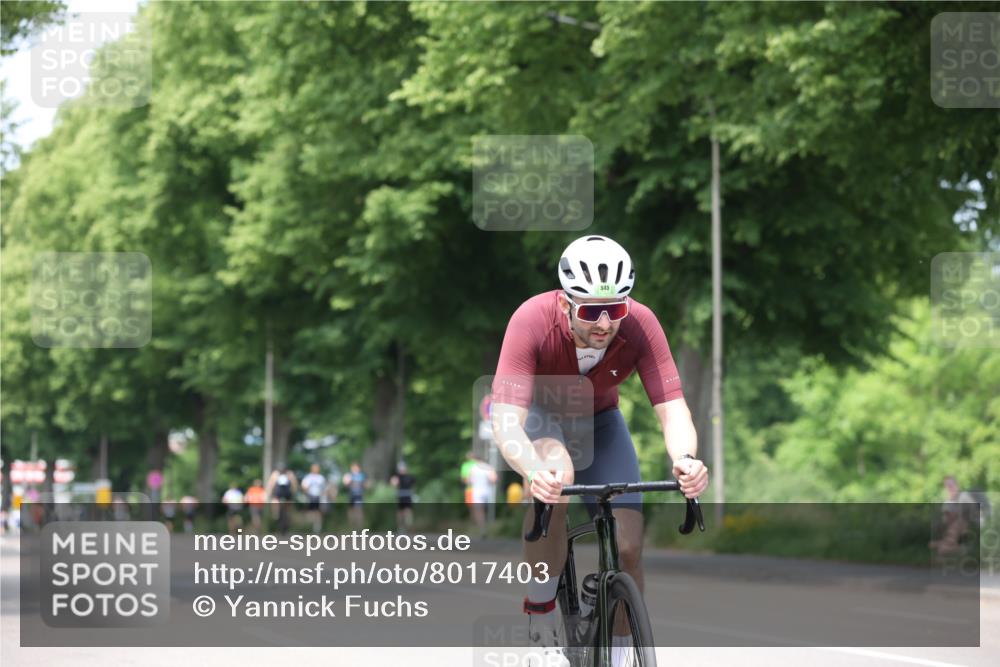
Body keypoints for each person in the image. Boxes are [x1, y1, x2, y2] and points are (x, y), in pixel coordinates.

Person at [491, 235, 709, 666]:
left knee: (628, 548)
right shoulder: (531, 319)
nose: (605, 323)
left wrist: (685, 459)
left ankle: (622, 653)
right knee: (556, 475)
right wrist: (532, 469)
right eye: (591, 311)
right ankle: (541, 615)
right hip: (541, 419)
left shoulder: (641, 324)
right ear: (565, 303)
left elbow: (672, 408)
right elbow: (504, 420)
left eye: (617, 309)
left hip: (602, 422)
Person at [930, 476, 978, 556]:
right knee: (939, 547)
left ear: (957, 485)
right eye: (947, 485)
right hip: (953, 530)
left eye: (951, 485)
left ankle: (958, 547)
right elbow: (946, 519)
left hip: (964, 527)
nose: (950, 487)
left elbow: (972, 512)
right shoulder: (947, 502)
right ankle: (956, 546)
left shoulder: (964, 496)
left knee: (942, 549)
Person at [466, 455, 497, 538]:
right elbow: (493, 479)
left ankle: (482, 529)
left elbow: (469, 480)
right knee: (485, 510)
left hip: (477, 492)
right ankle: (488, 527)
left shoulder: (473, 468)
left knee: (479, 511)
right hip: (487, 491)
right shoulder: (489, 467)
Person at [266, 465, 298, 535]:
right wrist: (294, 492)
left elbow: (271, 484)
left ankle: (276, 514)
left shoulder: (275, 474)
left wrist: (269, 493)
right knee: (288, 505)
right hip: (287, 493)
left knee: (275, 501)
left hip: (279, 492)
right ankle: (288, 514)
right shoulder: (289, 473)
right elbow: (294, 483)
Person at [300, 464, 328, 533]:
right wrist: (306, 491)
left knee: (318, 512)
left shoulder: (321, 478)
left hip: (318, 497)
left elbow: (324, 488)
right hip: (310, 496)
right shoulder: (308, 477)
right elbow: (303, 486)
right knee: (310, 512)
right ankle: (309, 526)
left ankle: (317, 528)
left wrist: (324, 498)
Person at [390, 461, 416, 533]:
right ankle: (401, 527)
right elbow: (393, 484)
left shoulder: (410, 477)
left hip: (408, 496)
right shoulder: (397, 477)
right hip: (400, 496)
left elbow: (413, 486)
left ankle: (408, 527)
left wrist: (413, 494)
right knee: (400, 513)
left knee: (408, 512)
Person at [342, 462, 368, 529]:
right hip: (351, 495)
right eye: (353, 467)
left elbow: (366, 485)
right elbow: (345, 485)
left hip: (359, 495)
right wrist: (348, 481)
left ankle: (359, 527)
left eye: (356, 467)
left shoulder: (362, 475)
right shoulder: (349, 475)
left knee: (359, 510)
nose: (355, 468)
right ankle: (352, 527)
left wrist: (364, 485)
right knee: (351, 510)